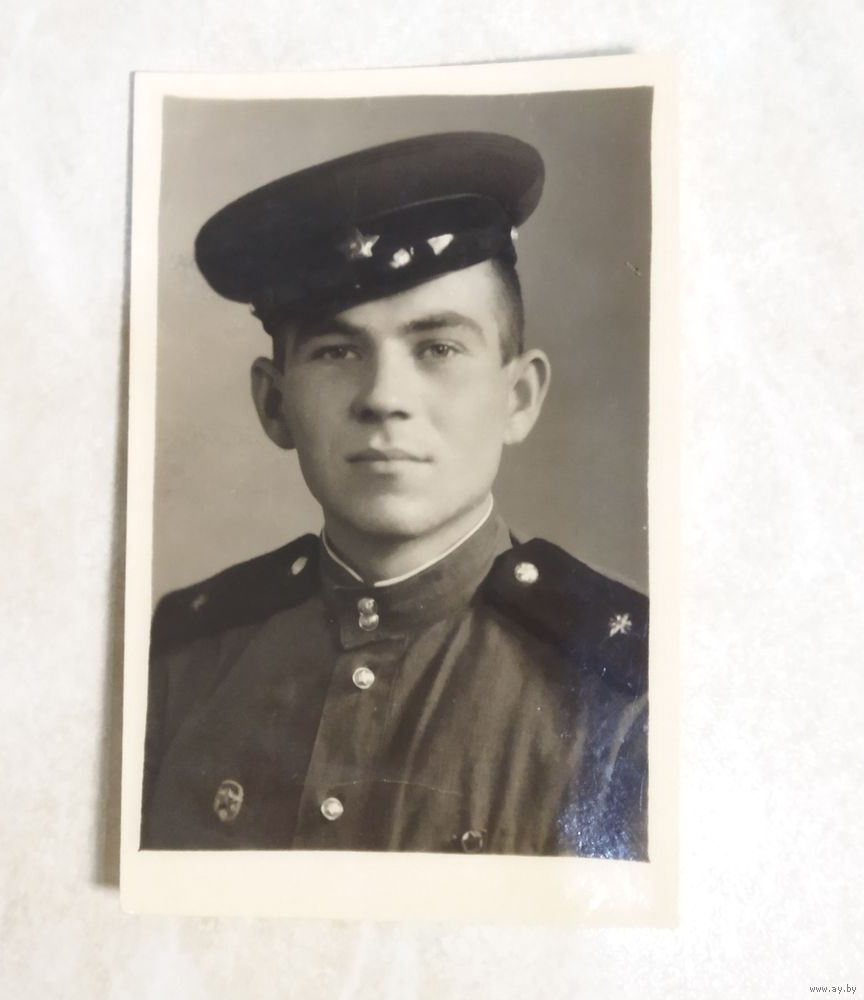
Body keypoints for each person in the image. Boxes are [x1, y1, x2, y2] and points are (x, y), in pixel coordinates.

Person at [141, 132, 648, 858]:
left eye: (438, 348)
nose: (384, 397)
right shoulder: (182, 662)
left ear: (518, 398)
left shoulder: (626, 693)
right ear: (275, 406)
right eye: (337, 351)